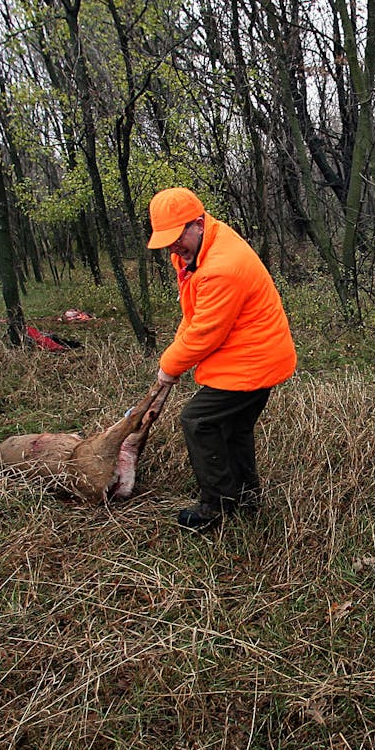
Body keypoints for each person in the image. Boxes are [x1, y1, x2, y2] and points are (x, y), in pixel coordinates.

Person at [146, 187, 297, 532]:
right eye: (166, 239)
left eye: (177, 237)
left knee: (198, 420)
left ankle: (215, 505)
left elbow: (205, 333)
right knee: (234, 427)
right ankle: (245, 496)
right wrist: (176, 352)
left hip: (253, 359)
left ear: (198, 223)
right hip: (250, 354)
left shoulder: (221, 266)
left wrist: (169, 366)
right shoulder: (197, 251)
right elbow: (194, 315)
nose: (172, 246)